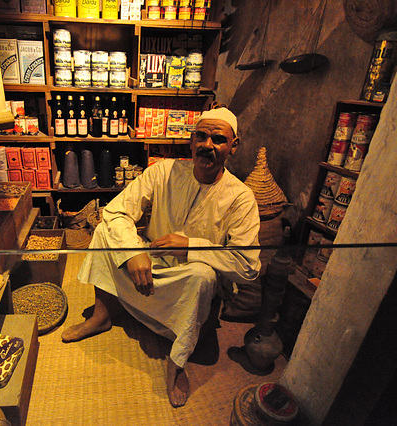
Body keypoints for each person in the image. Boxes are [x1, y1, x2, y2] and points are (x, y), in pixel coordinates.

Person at [61, 107, 261, 407]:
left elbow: (248, 267)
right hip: (148, 267)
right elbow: (116, 212)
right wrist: (133, 251)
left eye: (218, 139)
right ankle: (102, 316)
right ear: (191, 142)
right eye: (201, 137)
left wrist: (191, 247)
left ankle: (177, 361)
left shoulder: (240, 197)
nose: (208, 145)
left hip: (187, 282)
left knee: (203, 276)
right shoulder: (164, 171)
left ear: (234, 145)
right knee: (105, 231)